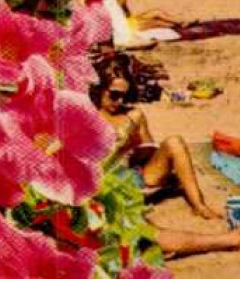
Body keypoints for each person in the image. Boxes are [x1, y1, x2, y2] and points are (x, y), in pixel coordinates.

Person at [91, 54, 218, 220]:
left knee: (174, 142)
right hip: (104, 183)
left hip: (133, 176)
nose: (119, 101)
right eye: (114, 95)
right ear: (100, 89)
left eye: (124, 96)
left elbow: (149, 149)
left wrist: (136, 149)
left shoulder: (133, 115)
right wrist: (116, 149)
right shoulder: (87, 115)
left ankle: (199, 205)